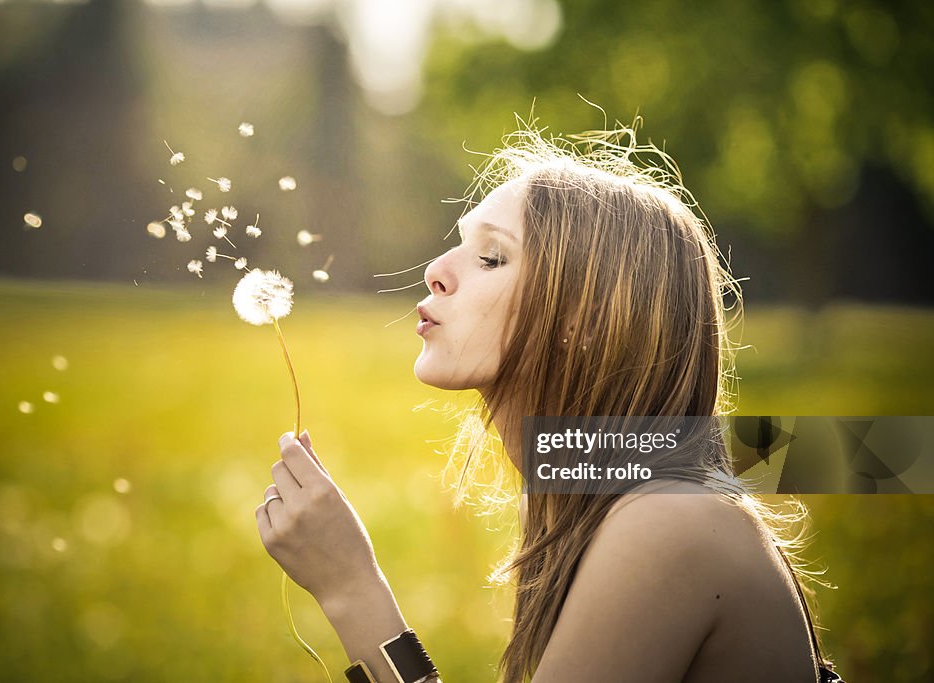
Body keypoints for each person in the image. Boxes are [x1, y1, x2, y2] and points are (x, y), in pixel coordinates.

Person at [254, 122, 842, 682]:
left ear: (584, 321)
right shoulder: (621, 496)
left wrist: (352, 590)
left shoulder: (670, 522)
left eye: (492, 257)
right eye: (460, 247)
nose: (435, 272)